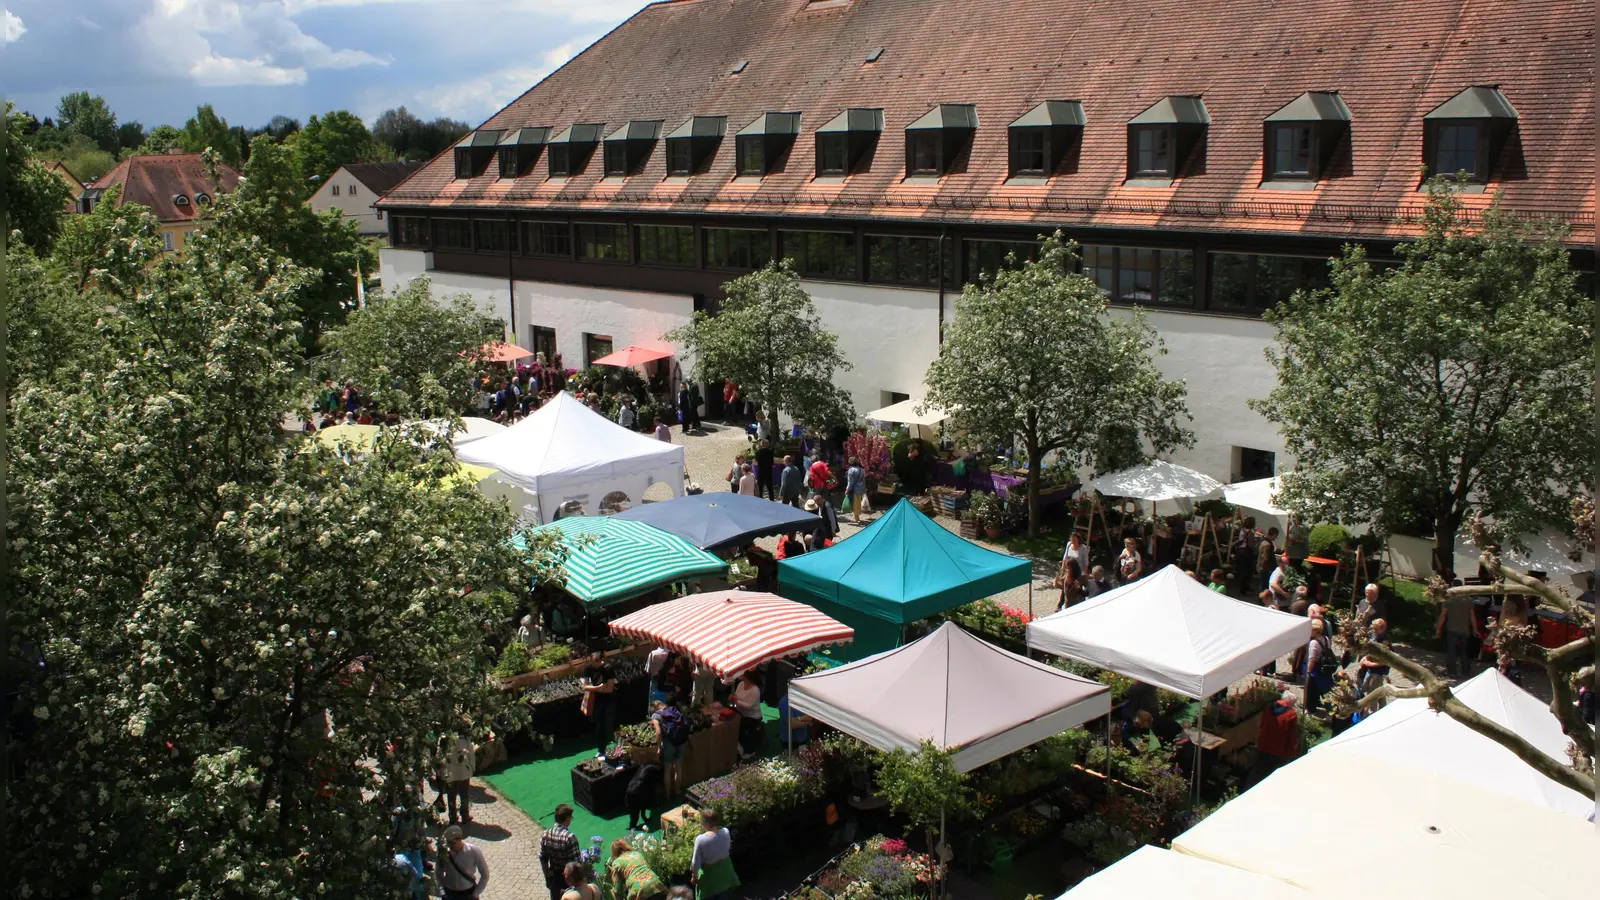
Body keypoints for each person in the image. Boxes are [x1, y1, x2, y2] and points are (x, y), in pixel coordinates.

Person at [690, 808, 741, 900]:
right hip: (726, 873)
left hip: (711, 878)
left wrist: (694, 877)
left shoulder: (701, 840)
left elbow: (695, 863)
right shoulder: (725, 832)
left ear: (705, 822)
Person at [1252, 691, 1299, 786]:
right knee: (1273, 774)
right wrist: (1292, 751)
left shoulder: (1269, 707)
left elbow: (1262, 723)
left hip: (1263, 743)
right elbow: (1292, 735)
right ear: (1290, 702)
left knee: (1259, 771)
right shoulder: (1291, 714)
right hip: (1278, 749)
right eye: (1293, 704)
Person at [1436, 589, 1482, 680]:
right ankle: (1465, 672)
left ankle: (1452, 672)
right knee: (1465, 652)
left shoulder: (1448, 599)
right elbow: (1472, 614)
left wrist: (1439, 628)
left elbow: (1443, 614)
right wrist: (1475, 629)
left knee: (1452, 651)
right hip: (1465, 629)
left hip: (1452, 629)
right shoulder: (1468, 599)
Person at [437, 825, 490, 900]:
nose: (449, 846)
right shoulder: (444, 852)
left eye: (452, 843)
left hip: (468, 893)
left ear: (459, 838)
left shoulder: (474, 852)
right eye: (448, 843)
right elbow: (438, 873)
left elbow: (485, 875)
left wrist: (475, 894)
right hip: (449, 893)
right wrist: (442, 893)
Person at [651, 698, 690, 799]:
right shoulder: (673, 709)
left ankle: (667, 794)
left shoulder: (656, 715)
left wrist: (659, 747)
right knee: (678, 768)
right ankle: (677, 791)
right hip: (680, 741)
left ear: (654, 707)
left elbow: (658, 732)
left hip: (669, 743)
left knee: (667, 770)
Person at [540, 804, 581, 899]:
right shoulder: (570, 838)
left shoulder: (545, 834)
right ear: (567, 818)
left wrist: (547, 877)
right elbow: (576, 864)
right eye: (571, 817)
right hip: (569, 880)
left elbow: (543, 858)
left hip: (554, 876)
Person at [581, 651, 618, 757]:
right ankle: (601, 750)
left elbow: (609, 689)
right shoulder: (588, 669)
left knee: (608, 724)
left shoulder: (608, 668)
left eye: (596, 662)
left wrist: (595, 689)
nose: (594, 664)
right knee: (599, 726)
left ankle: (614, 747)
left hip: (609, 700)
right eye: (592, 662)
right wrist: (598, 688)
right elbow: (585, 686)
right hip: (596, 701)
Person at [1355, 618, 1391, 715]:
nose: (1373, 631)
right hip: (1371, 670)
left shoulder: (1384, 642)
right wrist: (1365, 658)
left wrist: (1369, 664)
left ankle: (1371, 714)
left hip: (1378, 672)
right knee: (1380, 692)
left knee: (1372, 694)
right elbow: (1370, 650)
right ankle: (1384, 711)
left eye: (1376, 629)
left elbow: (1385, 661)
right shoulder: (1374, 636)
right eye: (1373, 629)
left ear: (1382, 629)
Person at [1301, 619, 1334, 713]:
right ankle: (1330, 712)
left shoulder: (1314, 643)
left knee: (1311, 691)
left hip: (1316, 671)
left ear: (1315, 630)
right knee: (1326, 692)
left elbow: (1312, 659)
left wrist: (1308, 671)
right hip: (1325, 670)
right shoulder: (1326, 639)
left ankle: (1310, 710)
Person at [443, 733, 476, 824]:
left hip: (450, 770)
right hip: (463, 770)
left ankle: (452, 816)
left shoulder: (445, 737)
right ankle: (465, 815)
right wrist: (473, 767)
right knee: (464, 793)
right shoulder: (465, 737)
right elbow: (471, 753)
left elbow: (440, 753)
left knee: (451, 794)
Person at [732, 671, 763, 760]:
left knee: (741, 728)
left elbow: (749, 706)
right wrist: (733, 698)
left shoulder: (755, 690)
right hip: (740, 712)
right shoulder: (741, 684)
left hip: (752, 716)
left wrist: (737, 701)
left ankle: (749, 750)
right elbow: (736, 696)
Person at [625, 760, 662, 831]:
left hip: (632, 789)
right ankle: (632, 826)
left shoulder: (643, 767)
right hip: (636, 791)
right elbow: (653, 783)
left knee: (637, 808)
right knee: (635, 810)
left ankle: (635, 823)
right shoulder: (653, 772)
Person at [844, 457, 869, 524]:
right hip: (860, 488)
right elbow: (863, 480)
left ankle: (856, 518)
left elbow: (850, 482)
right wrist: (864, 489)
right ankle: (856, 517)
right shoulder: (861, 469)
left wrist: (847, 489)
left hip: (853, 489)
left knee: (854, 503)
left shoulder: (851, 470)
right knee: (858, 503)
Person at [1256, 527, 1280, 594]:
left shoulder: (1263, 541)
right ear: (1274, 535)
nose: (1276, 538)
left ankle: (1261, 598)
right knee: (1264, 586)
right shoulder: (1267, 544)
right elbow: (1265, 558)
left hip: (1262, 568)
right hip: (1265, 569)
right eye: (1276, 536)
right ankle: (1262, 600)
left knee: (1262, 584)